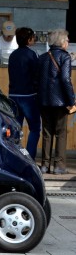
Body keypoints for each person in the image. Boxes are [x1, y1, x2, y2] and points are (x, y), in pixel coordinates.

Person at [38, 29, 75, 174]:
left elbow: (37, 80)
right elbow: (65, 80)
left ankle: (44, 165)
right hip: (60, 102)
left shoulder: (42, 57)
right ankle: (59, 166)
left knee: (46, 133)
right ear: (61, 42)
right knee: (60, 133)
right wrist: (71, 100)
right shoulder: (65, 57)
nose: (68, 42)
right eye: (67, 40)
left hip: (44, 101)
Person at [8, 27, 41, 160]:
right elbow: (36, 76)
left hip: (13, 96)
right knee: (34, 128)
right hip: (28, 96)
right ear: (28, 40)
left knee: (16, 128)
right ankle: (29, 158)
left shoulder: (13, 55)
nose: (34, 39)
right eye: (33, 37)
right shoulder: (32, 55)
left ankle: (14, 157)